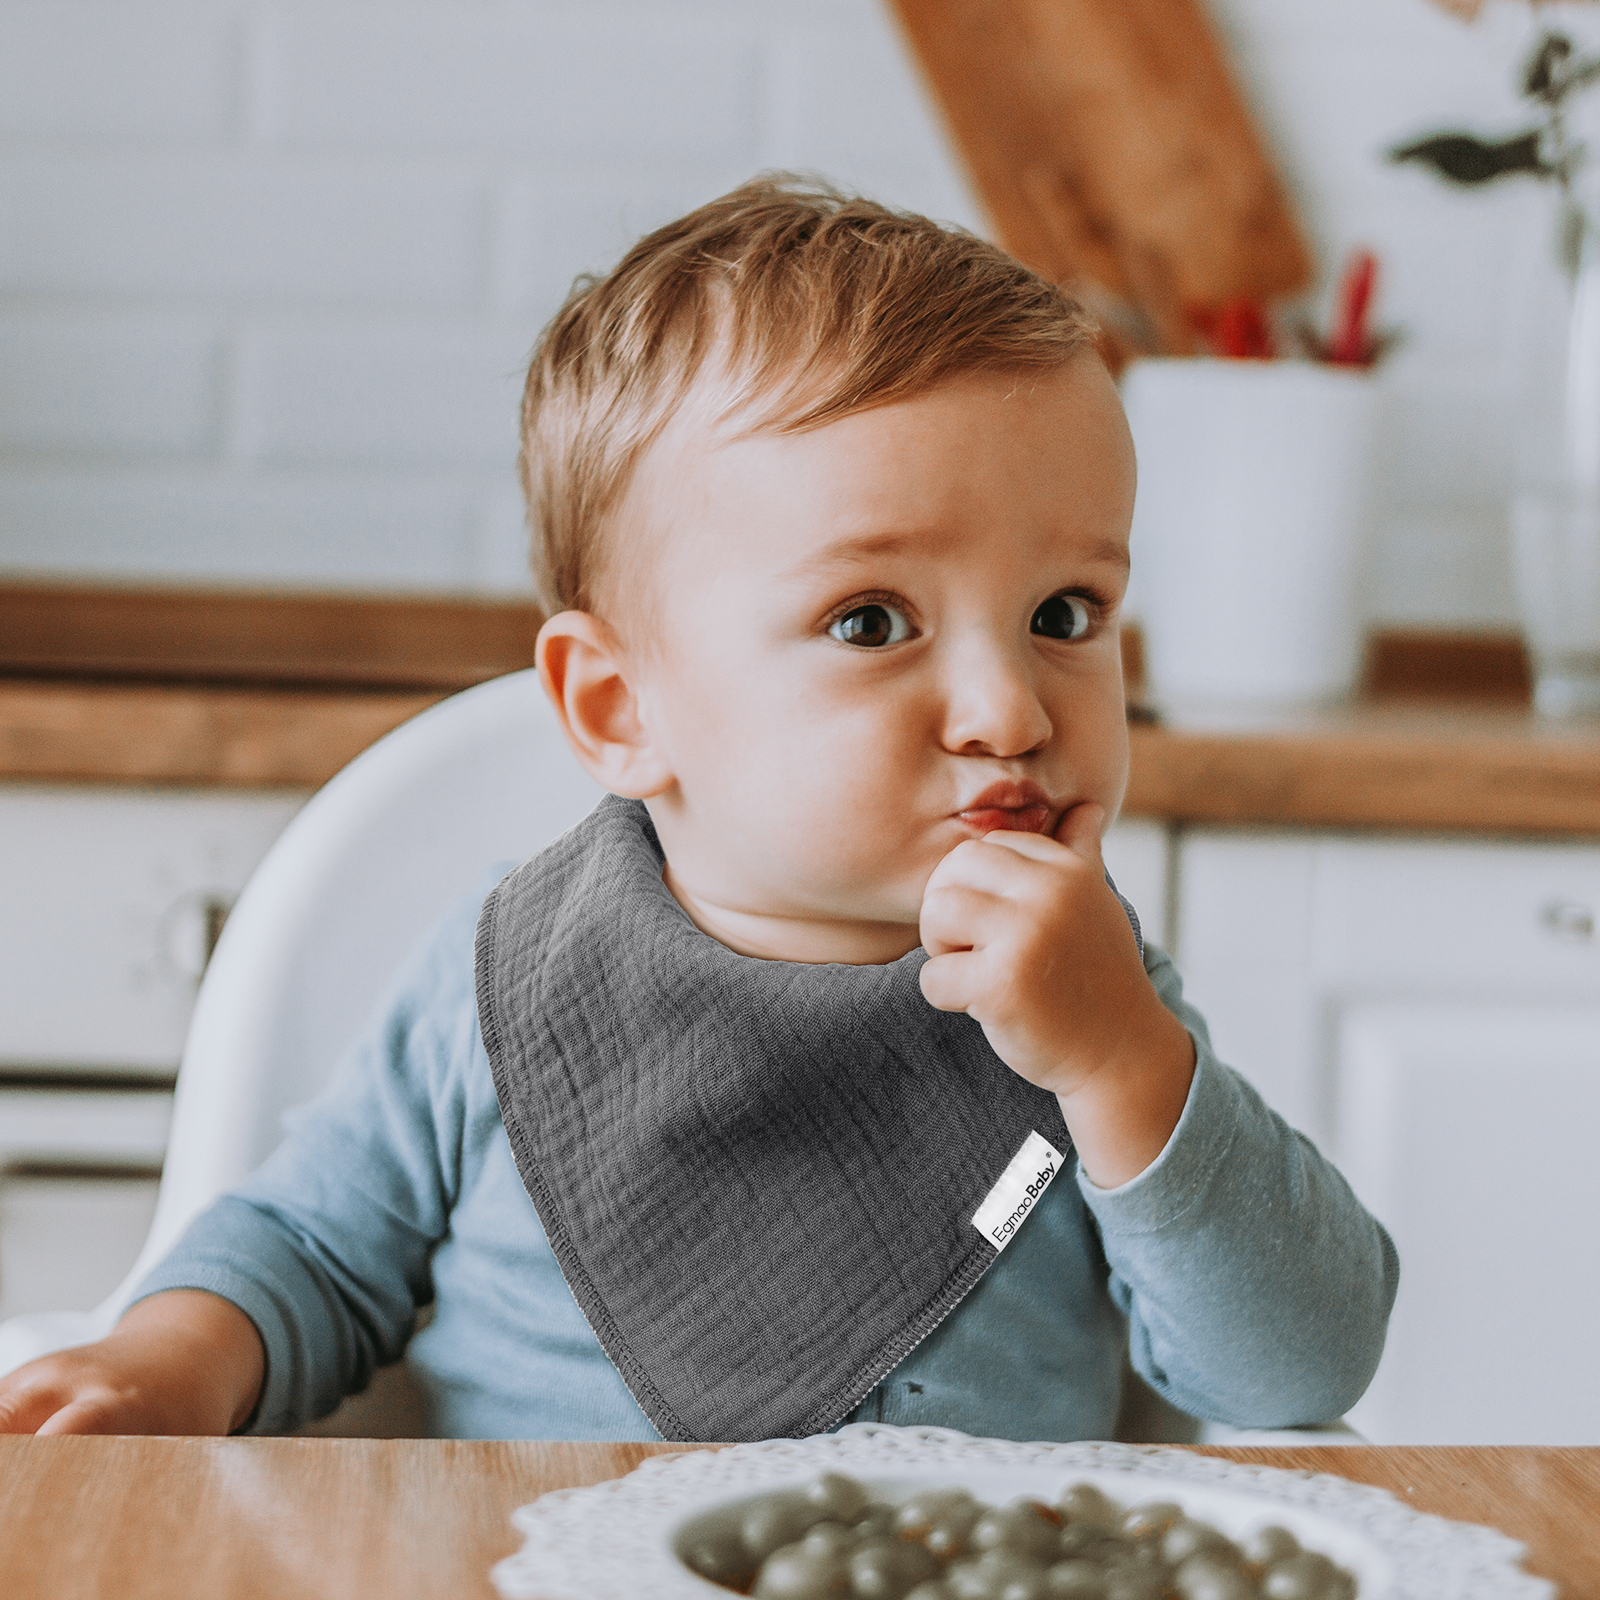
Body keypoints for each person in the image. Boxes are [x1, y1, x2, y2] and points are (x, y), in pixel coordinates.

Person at [0, 177, 1397, 1442]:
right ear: (619, 711)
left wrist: (1125, 1067)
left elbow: (1298, 1377)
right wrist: (163, 1366)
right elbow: (308, 1253)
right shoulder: (507, 986)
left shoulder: (1089, 1000)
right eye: (870, 619)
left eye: (1064, 612)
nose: (1013, 710)